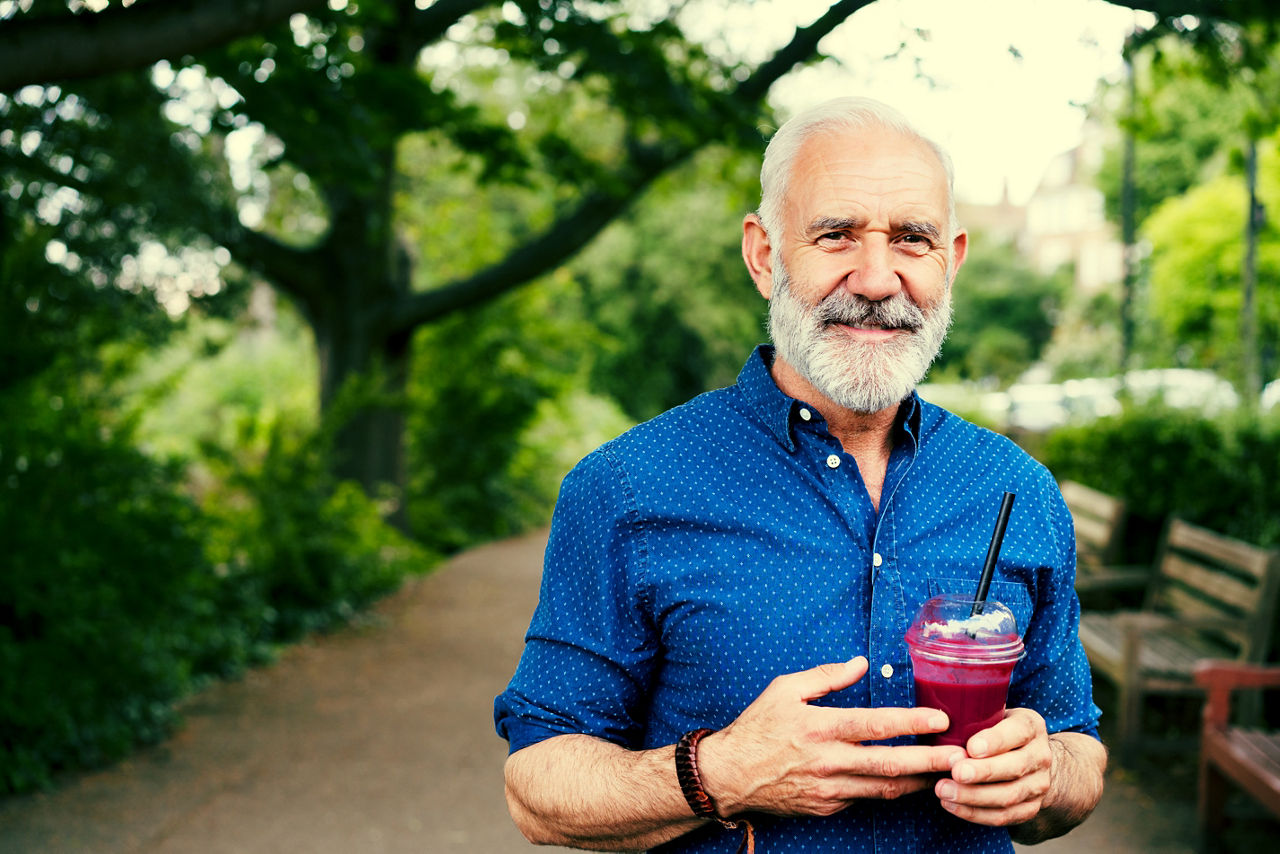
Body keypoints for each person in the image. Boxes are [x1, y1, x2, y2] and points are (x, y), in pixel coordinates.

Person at [493, 96, 1106, 853]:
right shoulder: (628, 487)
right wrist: (716, 772)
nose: (877, 278)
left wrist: (1042, 777)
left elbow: (1077, 747)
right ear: (764, 255)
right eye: (837, 234)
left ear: (953, 261)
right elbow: (539, 791)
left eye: (913, 239)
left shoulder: (1017, 490)